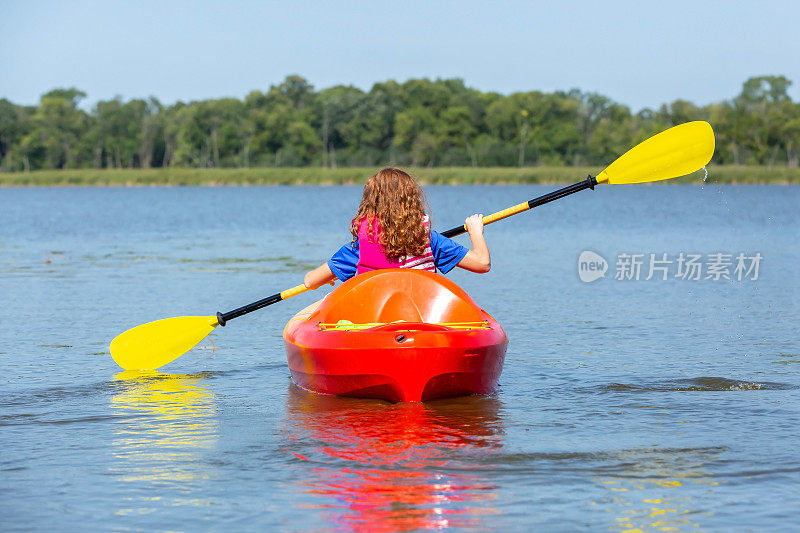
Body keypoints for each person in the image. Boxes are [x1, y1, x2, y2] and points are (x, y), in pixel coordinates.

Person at [304, 167, 490, 290]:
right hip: (418, 313)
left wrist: (330, 276)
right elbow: (482, 264)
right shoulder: (427, 239)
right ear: (412, 201)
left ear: (370, 203)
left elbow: (310, 282)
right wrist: (475, 232)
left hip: (374, 316)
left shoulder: (361, 245)